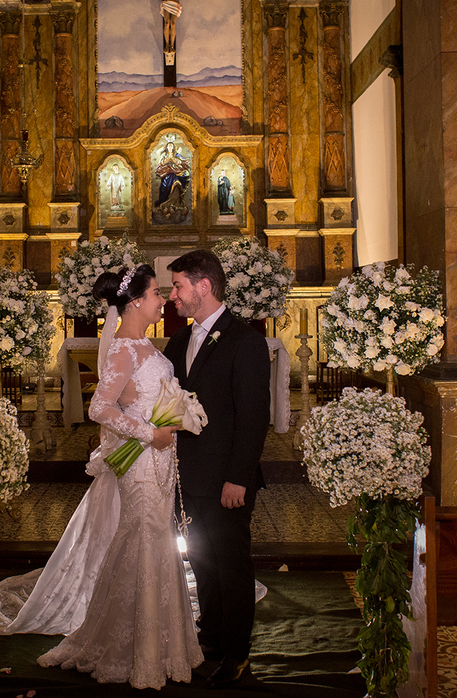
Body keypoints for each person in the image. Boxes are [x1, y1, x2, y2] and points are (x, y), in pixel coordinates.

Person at [0, 264, 203, 690]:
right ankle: (131, 650)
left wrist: (172, 417)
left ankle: (162, 644)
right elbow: (99, 408)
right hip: (142, 463)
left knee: (158, 543)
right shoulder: (124, 348)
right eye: (155, 293)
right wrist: (149, 432)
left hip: (160, 460)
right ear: (136, 302)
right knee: (141, 541)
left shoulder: (144, 344)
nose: (163, 300)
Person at [163, 249, 271, 687]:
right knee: (202, 564)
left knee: (231, 567)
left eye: (178, 286)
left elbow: (252, 417)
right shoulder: (177, 341)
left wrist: (237, 478)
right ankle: (209, 639)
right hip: (187, 478)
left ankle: (237, 654)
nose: (173, 295)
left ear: (203, 286)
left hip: (226, 480)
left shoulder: (244, 340)